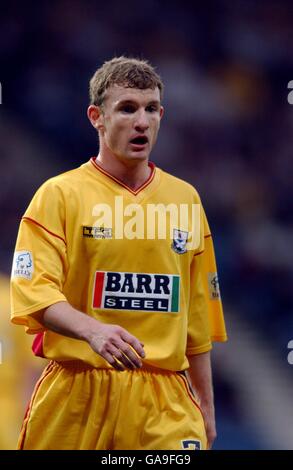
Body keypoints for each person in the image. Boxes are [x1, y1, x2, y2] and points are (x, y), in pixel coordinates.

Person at [10, 56, 227, 450]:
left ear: (162, 115)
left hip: (165, 400)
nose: (141, 121)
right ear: (97, 116)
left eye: (151, 109)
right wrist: (93, 331)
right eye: (127, 108)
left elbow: (197, 320)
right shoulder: (59, 195)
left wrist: (206, 407)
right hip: (76, 390)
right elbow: (33, 293)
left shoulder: (186, 200)